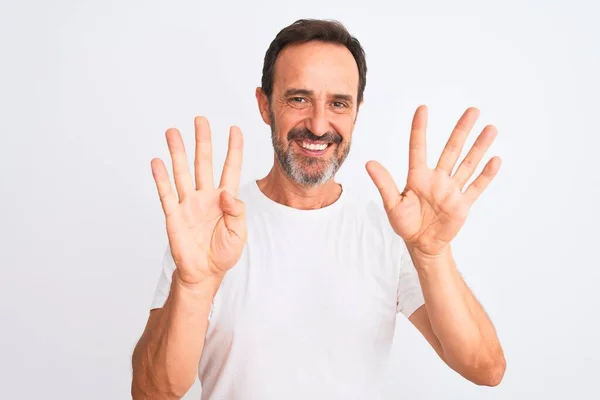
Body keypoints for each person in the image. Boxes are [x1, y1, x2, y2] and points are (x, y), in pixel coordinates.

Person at [131, 18, 506, 400]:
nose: (318, 124)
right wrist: (195, 286)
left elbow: (485, 368)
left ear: (356, 112)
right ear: (265, 105)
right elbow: (152, 392)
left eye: (338, 103)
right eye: (298, 99)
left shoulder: (391, 230)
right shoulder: (211, 228)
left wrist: (432, 253)